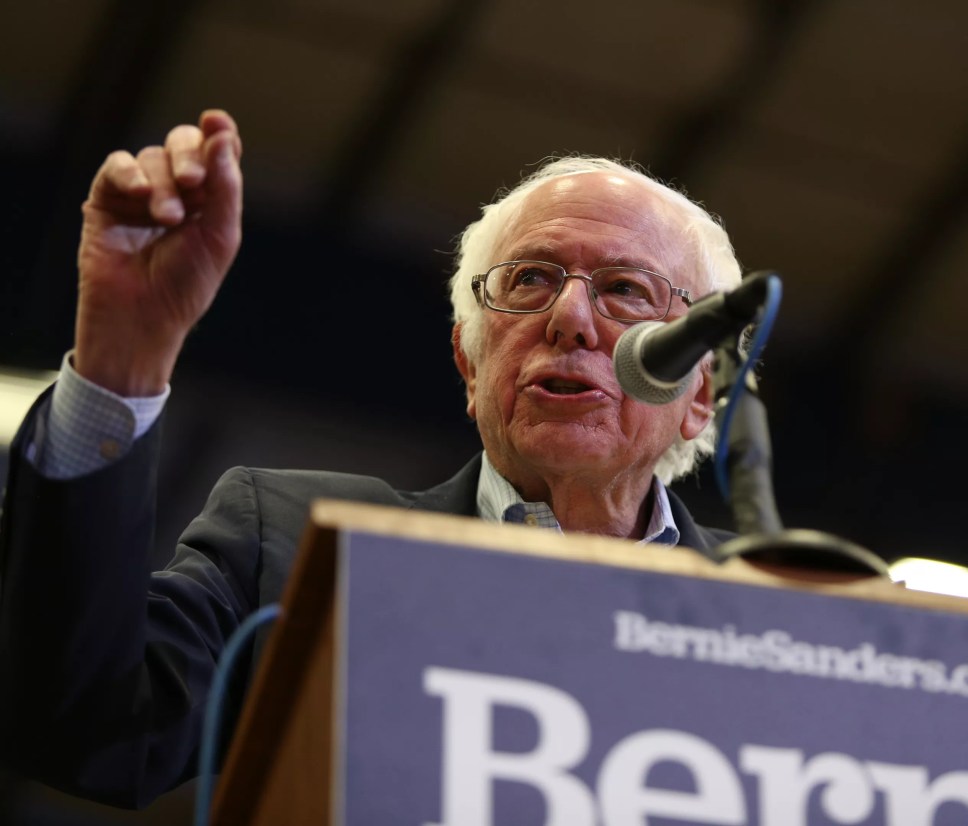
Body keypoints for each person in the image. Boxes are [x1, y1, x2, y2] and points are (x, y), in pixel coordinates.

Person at [0, 110, 744, 807]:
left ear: (700, 392)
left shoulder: (788, 623)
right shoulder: (300, 546)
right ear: (471, 363)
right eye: (530, 281)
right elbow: (80, 721)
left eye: (625, 290)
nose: (570, 319)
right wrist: (120, 363)